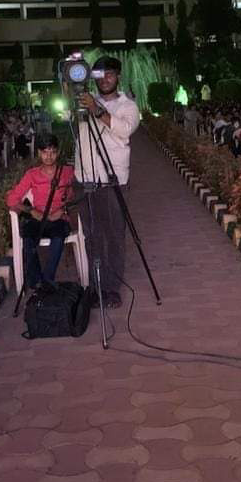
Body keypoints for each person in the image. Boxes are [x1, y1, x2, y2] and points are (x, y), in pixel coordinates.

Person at [74, 55, 141, 309]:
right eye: (100, 75)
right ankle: (94, 287)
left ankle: (112, 289)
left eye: (109, 74)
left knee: (113, 235)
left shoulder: (128, 106)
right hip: (84, 177)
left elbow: (124, 129)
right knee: (92, 236)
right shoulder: (85, 101)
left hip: (112, 180)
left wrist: (96, 109)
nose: (105, 80)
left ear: (118, 76)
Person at [6, 133, 75, 289]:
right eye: (45, 152)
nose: (48, 156)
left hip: (59, 218)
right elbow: (11, 199)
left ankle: (47, 280)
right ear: (39, 153)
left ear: (58, 152)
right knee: (28, 238)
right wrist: (31, 210)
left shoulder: (67, 172)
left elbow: (75, 195)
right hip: (38, 218)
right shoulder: (32, 174)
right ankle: (36, 281)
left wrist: (63, 209)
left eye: (52, 152)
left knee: (59, 236)